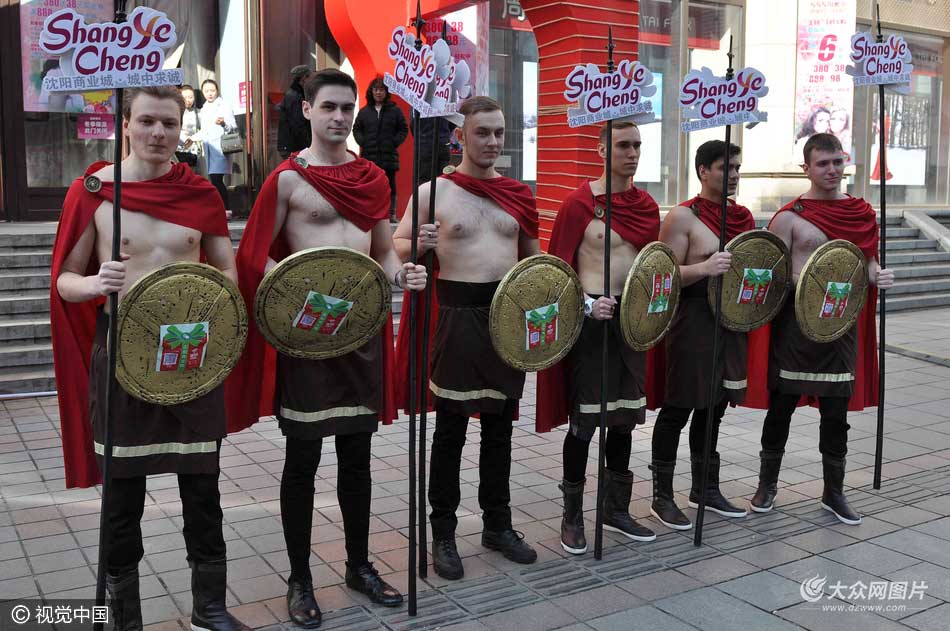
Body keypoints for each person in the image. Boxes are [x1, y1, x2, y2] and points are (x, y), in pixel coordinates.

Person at [225, 69, 427, 628]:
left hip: (360, 334)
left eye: (347, 108)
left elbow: (382, 249)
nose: (339, 117)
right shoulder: (287, 181)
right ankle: (300, 579)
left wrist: (401, 274)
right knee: (303, 460)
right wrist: (292, 288)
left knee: (358, 460)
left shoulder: (372, 178)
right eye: (329, 107)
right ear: (307, 110)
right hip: (308, 338)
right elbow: (253, 255)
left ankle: (359, 566)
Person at [50, 85, 251, 631]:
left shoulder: (200, 194)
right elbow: (64, 280)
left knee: (203, 488)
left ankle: (209, 606)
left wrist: (213, 301)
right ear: (126, 125)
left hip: (190, 354)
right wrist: (96, 282)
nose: (158, 133)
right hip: (122, 354)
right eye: (146, 121)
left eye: (168, 122)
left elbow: (226, 270)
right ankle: (124, 616)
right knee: (122, 497)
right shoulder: (93, 193)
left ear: (181, 127)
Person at [392, 96, 541, 580]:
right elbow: (398, 243)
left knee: (500, 429)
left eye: (499, 132)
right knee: (451, 430)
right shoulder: (434, 191)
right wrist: (417, 247)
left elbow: (533, 260)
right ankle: (443, 534)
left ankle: (498, 525)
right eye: (482, 132)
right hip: (456, 316)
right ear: (460, 136)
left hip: (505, 318)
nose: (492, 141)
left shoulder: (519, 194)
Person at [745, 133, 894, 525]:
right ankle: (766, 485)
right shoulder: (789, 217)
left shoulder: (861, 214)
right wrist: (804, 283)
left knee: (835, 412)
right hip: (795, 326)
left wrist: (878, 275)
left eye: (837, 162)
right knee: (781, 407)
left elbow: (867, 263)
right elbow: (771, 273)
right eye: (823, 163)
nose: (831, 170)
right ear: (806, 168)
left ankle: (834, 492)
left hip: (840, 324)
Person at [536, 121, 659, 555]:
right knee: (586, 423)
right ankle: (571, 516)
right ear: (602, 150)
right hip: (592, 322)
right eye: (623, 145)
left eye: (637, 145)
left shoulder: (647, 205)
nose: (632, 153)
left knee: (624, 418)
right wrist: (587, 305)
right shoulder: (578, 204)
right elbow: (555, 271)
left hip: (632, 322)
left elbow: (654, 266)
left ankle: (615, 509)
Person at [647, 140, 755, 531]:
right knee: (679, 408)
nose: (734, 175)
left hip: (731, 322)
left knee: (714, 408)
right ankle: (662, 496)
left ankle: (705, 489)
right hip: (691, 320)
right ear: (703, 171)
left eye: (738, 168)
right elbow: (662, 274)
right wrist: (704, 268)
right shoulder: (683, 217)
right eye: (726, 168)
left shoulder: (742, 217)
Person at [353, 78, 409, 221]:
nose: (378, 92)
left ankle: (391, 214)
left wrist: (394, 142)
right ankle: (371, 213)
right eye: (376, 89)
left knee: (390, 186)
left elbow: (403, 128)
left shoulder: (395, 110)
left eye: (381, 90)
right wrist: (363, 142)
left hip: (389, 156)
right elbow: (356, 129)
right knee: (369, 185)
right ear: (371, 92)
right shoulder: (364, 112)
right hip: (369, 156)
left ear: (386, 92)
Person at [189, 79, 237, 210]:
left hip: (220, 147)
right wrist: (192, 138)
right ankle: (222, 209)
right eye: (206, 91)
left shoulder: (224, 105)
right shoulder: (204, 109)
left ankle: (225, 209)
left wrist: (223, 123)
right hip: (209, 148)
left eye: (212, 90)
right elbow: (205, 130)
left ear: (217, 91)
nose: (209, 93)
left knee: (216, 179)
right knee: (214, 179)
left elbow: (233, 127)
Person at [277, 65, 314, 159]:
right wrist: (309, 145)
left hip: (294, 146)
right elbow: (298, 124)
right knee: (301, 168)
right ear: (304, 78)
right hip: (293, 148)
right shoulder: (294, 96)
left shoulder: (297, 94)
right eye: (310, 77)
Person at [415, 117, 457, 186]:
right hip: (442, 142)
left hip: (425, 143)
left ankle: (426, 192)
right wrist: (445, 134)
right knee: (443, 176)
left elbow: (413, 124)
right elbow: (453, 121)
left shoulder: (421, 110)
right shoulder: (443, 109)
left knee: (425, 178)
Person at [176, 84, 201, 170]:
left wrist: (193, 138)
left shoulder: (199, 113)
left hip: (194, 149)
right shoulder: (175, 112)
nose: (188, 100)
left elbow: (205, 130)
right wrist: (184, 140)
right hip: (179, 148)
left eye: (190, 97)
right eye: (185, 97)